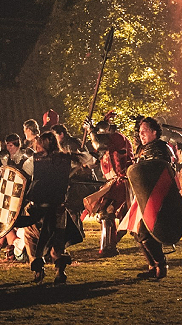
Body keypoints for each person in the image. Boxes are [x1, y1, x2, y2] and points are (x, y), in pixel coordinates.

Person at [23, 131, 84, 284]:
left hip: (38, 210)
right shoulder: (66, 160)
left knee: (31, 239)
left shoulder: (32, 162)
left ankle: (38, 271)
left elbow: (23, 176)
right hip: (58, 209)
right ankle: (60, 272)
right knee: (57, 242)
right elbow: (88, 160)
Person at [123, 117, 176, 279]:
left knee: (145, 232)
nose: (141, 135)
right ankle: (152, 266)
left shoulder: (161, 147)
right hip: (143, 195)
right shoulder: (144, 148)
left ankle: (161, 265)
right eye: (140, 132)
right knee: (137, 231)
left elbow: (158, 172)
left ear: (154, 132)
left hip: (156, 197)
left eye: (144, 131)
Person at [84, 118, 134, 257]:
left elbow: (99, 144)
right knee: (107, 214)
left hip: (122, 181)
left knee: (106, 212)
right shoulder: (110, 145)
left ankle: (109, 246)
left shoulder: (118, 138)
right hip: (113, 182)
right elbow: (95, 158)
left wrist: (91, 131)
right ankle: (111, 244)